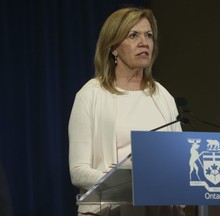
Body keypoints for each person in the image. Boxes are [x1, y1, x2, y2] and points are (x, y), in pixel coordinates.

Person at [68, 7, 184, 216]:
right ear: (113, 47)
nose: (144, 42)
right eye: (133, 35)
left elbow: (179, 162)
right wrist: (129, 183)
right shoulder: (90, 95)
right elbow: (78, 172)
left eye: (148, 35)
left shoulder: (163, 97)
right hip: (110, 210)